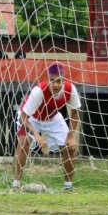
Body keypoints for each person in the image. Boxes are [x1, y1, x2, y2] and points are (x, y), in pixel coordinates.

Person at [12, 62, 81, 192]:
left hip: (53, 117)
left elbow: (75, 112)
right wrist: (37, 135)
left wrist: (71, 136)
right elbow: (24, 117)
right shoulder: (39, 91)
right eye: (52, 81)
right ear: (47, 80)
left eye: (58, 81)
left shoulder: (70, 89)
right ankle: (16, 184)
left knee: (70, 147)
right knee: (24, 142)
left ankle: (68, 187)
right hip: (30, 117)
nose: (55, 84)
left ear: (63, 80)